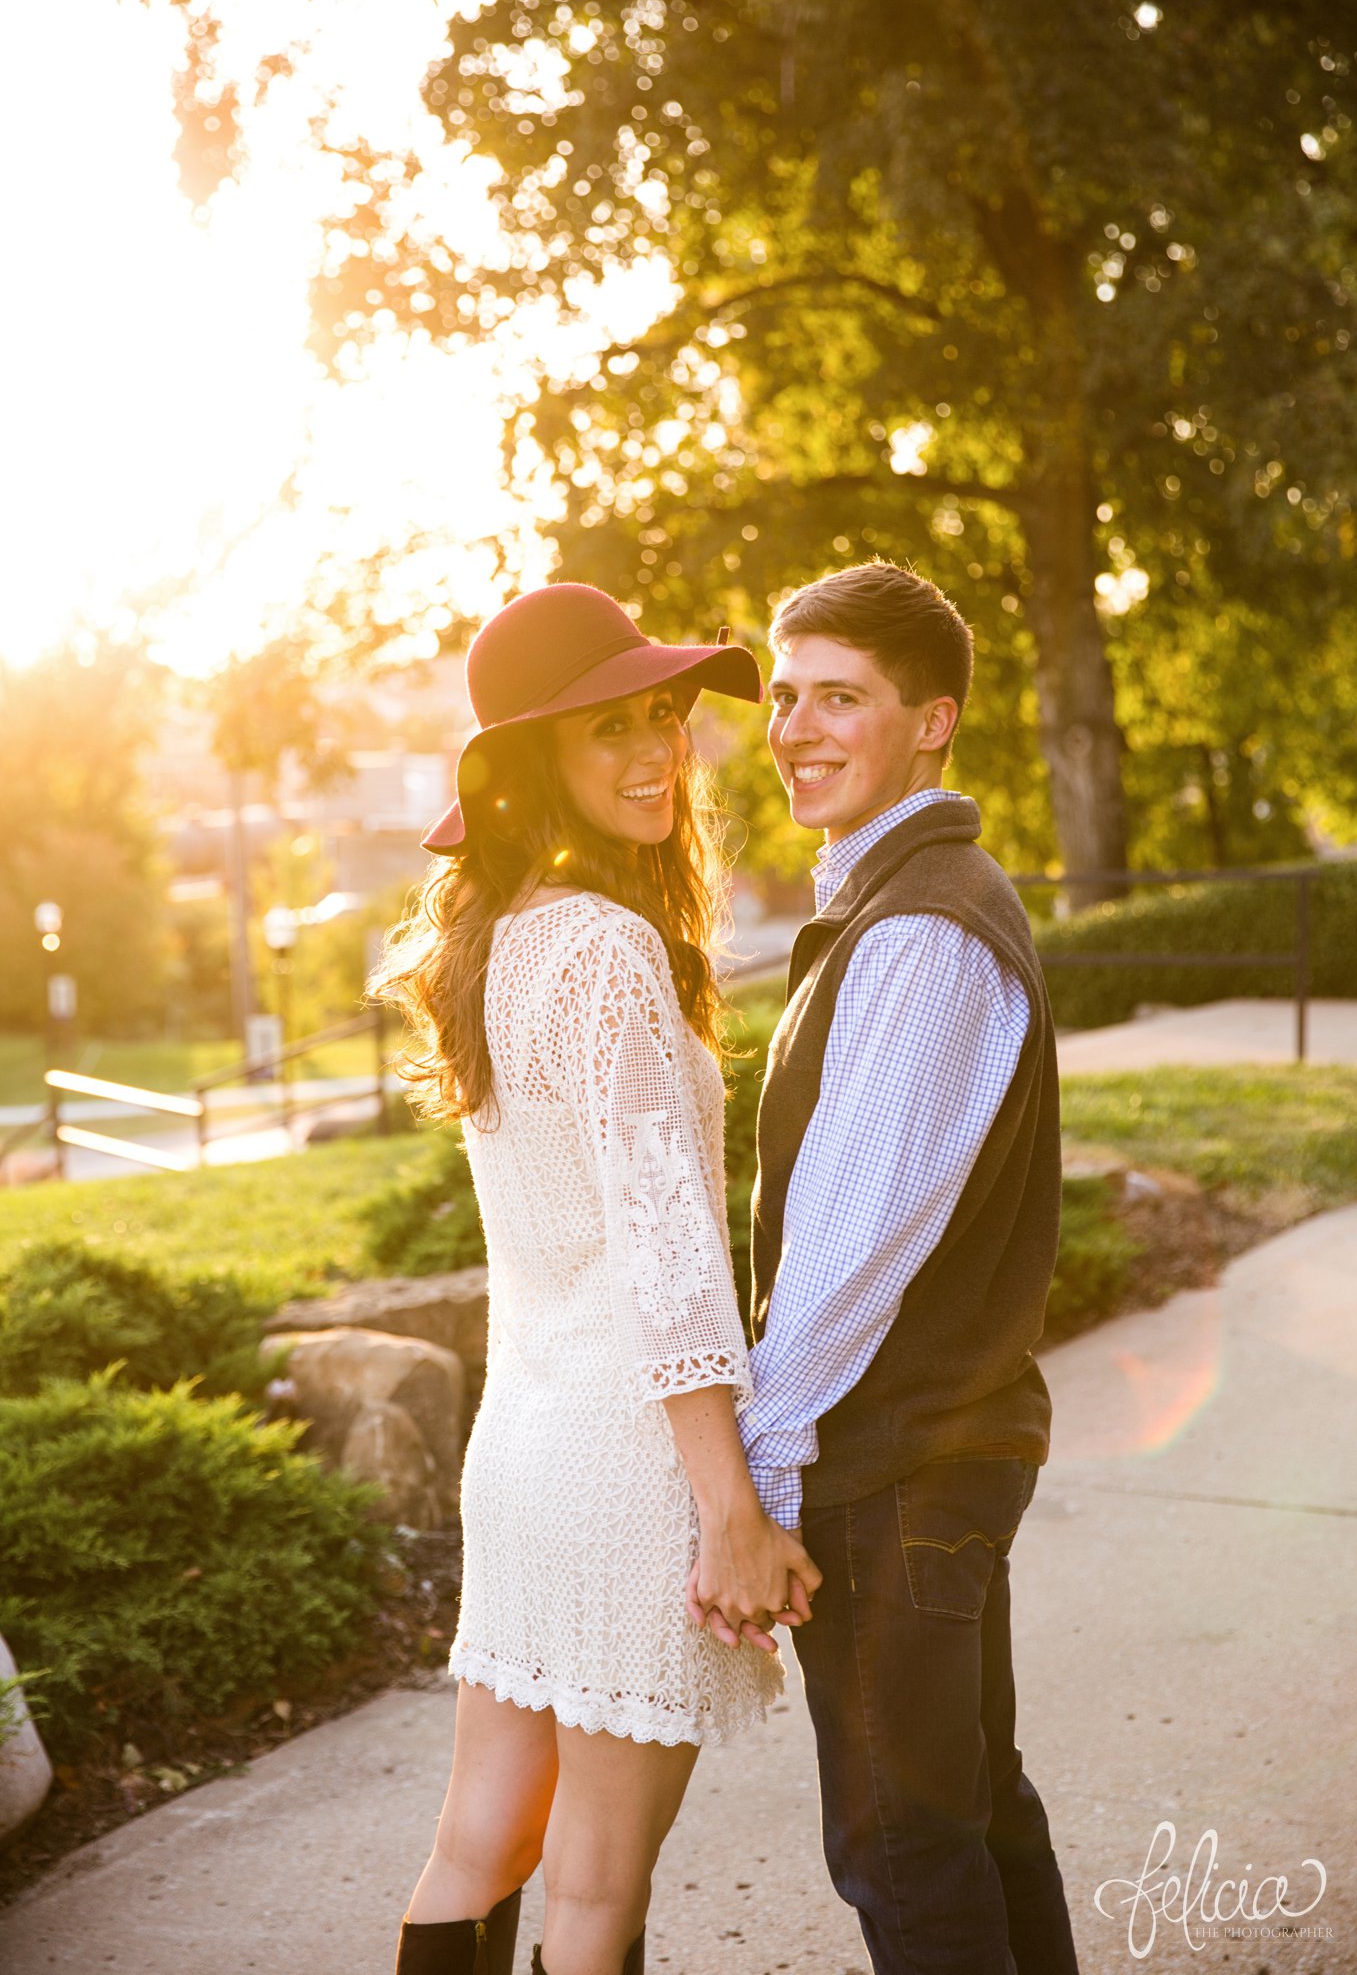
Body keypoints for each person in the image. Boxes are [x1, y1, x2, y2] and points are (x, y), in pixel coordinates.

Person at [370, 582, 821, 1975]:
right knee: (590, 1892)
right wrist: (729, 1510)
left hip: (524, 1456)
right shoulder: (610, 955)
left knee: (476, 1845)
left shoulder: (496, 947)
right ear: (533, 770)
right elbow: (668, 1262)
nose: (652, 757)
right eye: (604, 733)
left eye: (663, 720)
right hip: (625, 1471)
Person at [696, 560, 1080, 1974]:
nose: (796, 726)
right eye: (787, 696)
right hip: (927, 1452)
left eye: (838, 697)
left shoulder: (921, 927)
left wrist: (756, 1486)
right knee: (970, 1812)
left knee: (902, 1847)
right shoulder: (900, 901)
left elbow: (853, 1252)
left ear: (932, 721)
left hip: (891, 1465)